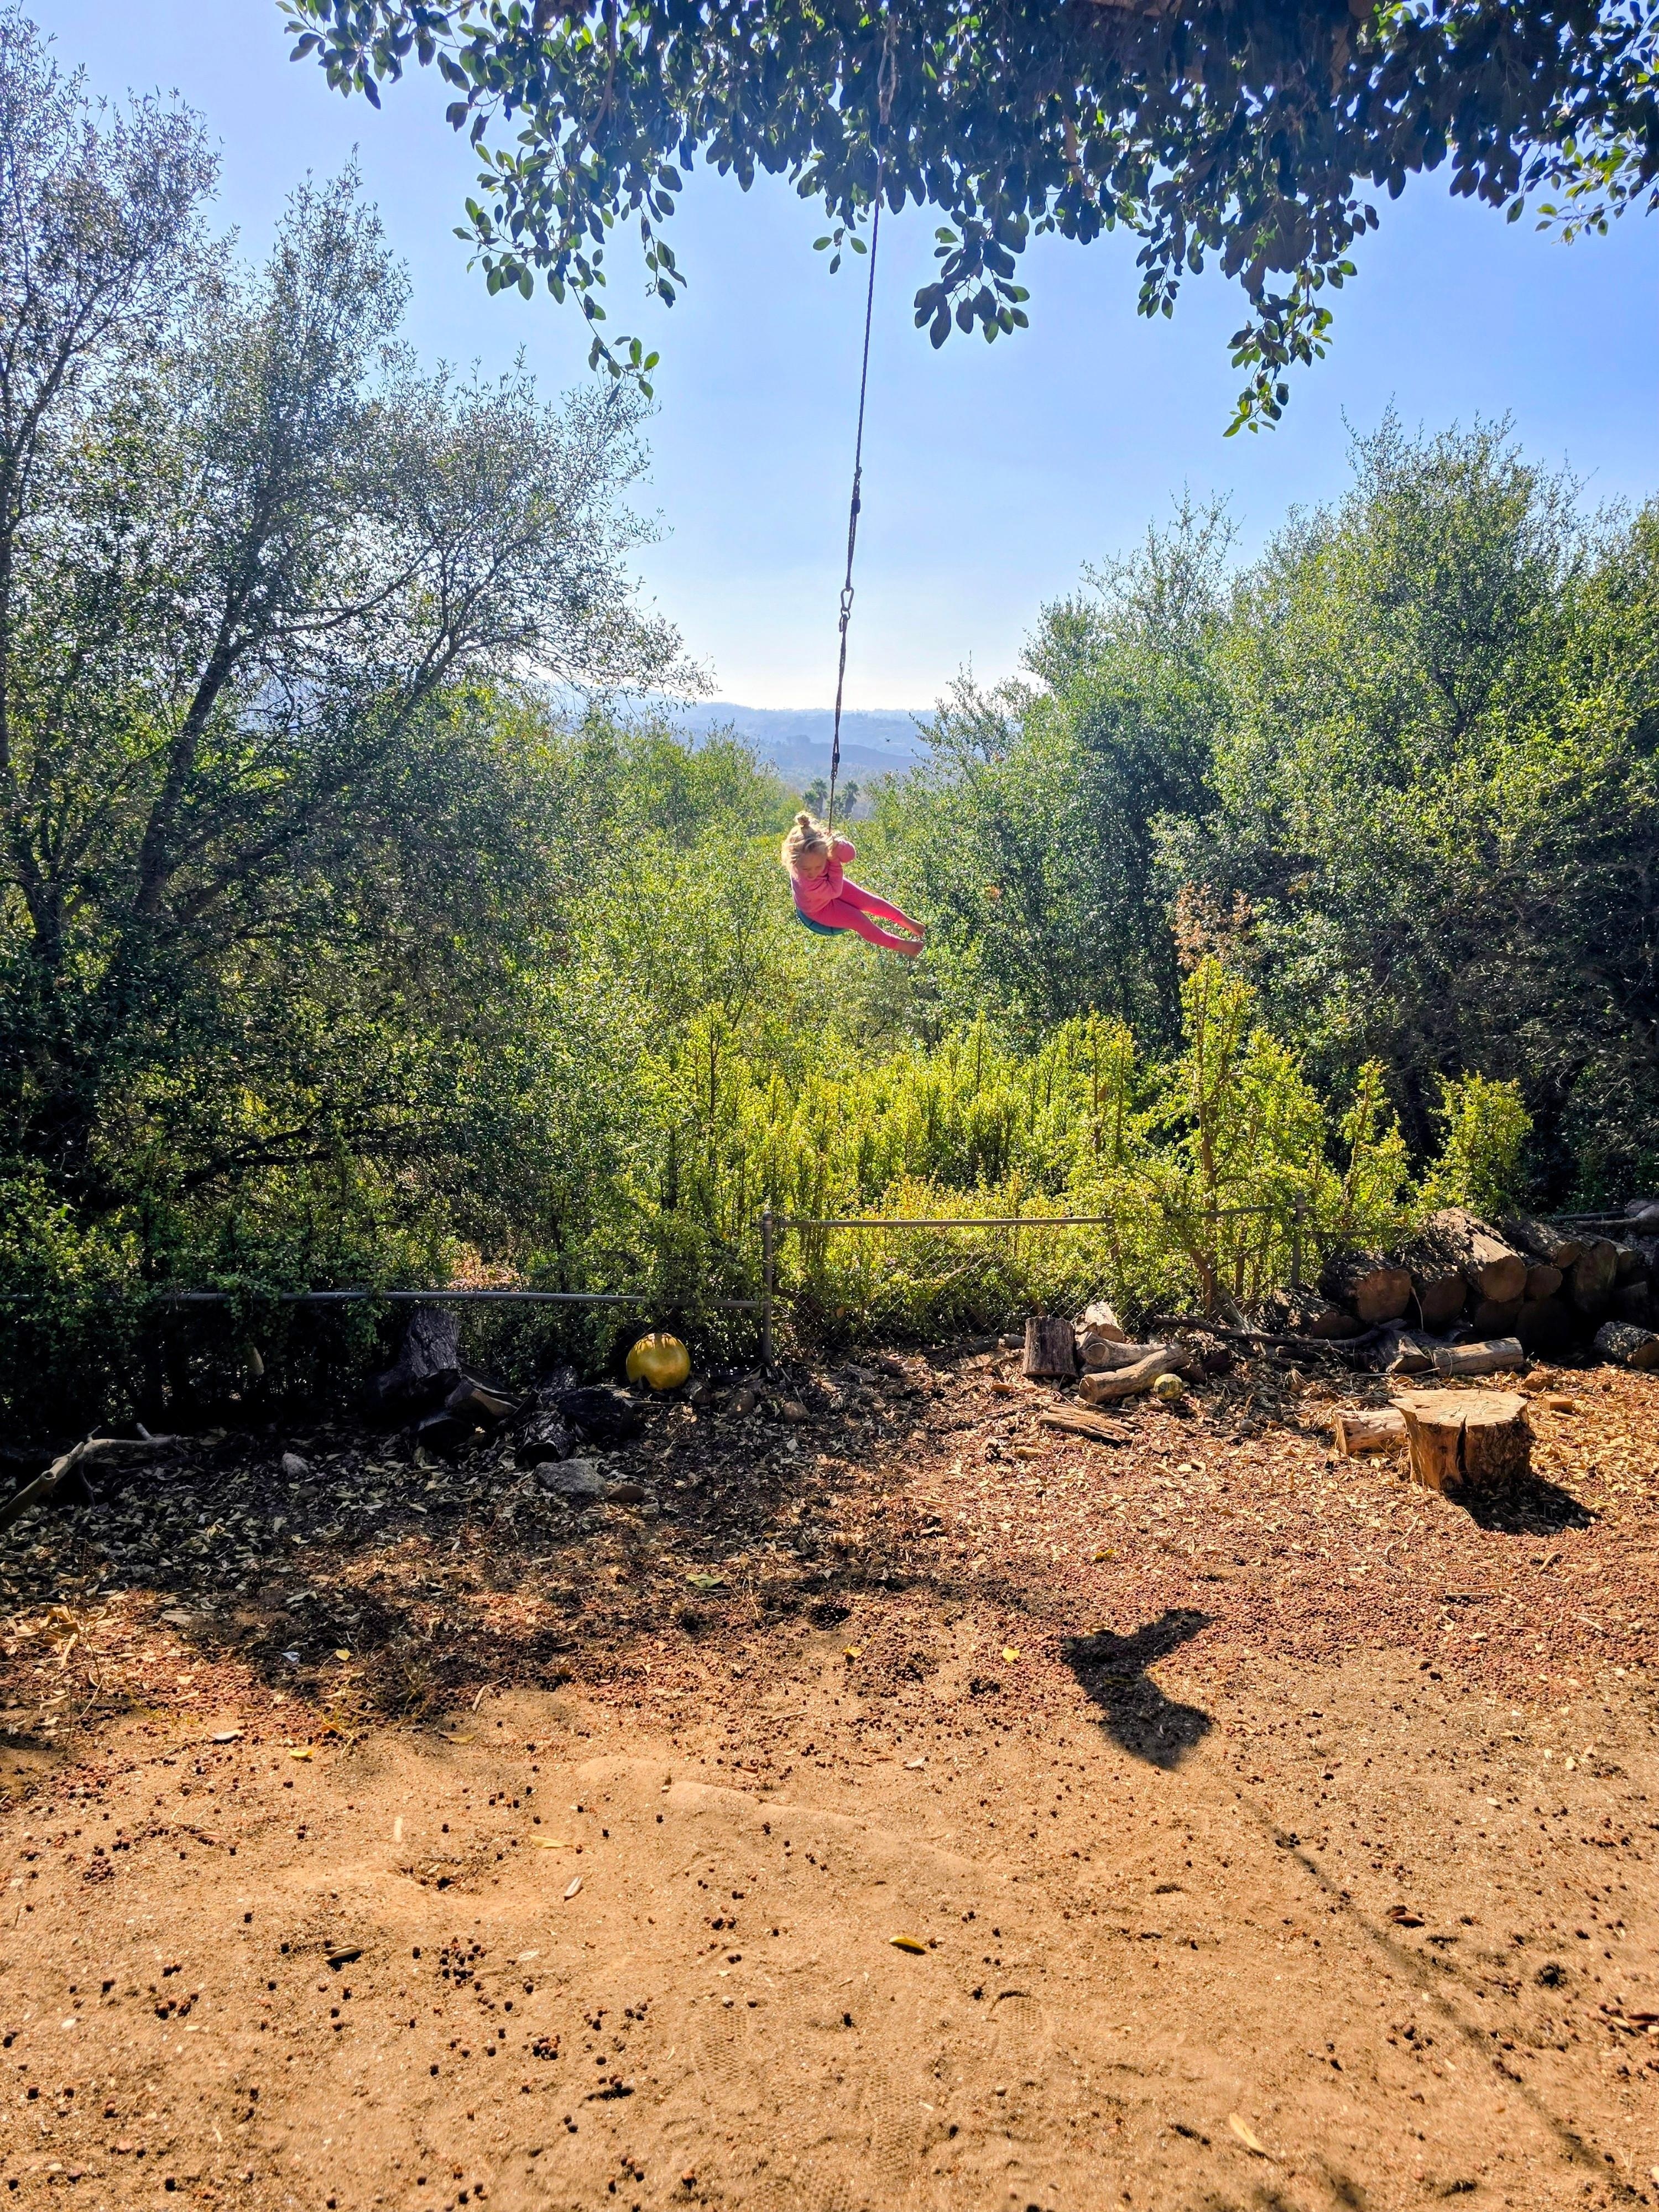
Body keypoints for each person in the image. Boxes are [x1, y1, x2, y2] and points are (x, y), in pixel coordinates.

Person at [780, 811, 925, 955]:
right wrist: (835, 861)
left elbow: (850, 856)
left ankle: (906, 921)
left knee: (871, 902)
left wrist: (837, 846)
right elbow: (834, 891)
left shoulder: (819, 849)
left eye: (819, 866)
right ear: (794, 862)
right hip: (819, 908)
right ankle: (900, 945)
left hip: (830, 884)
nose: (813, 873)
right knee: (860, 922)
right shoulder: (805, 883)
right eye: (806, 869)